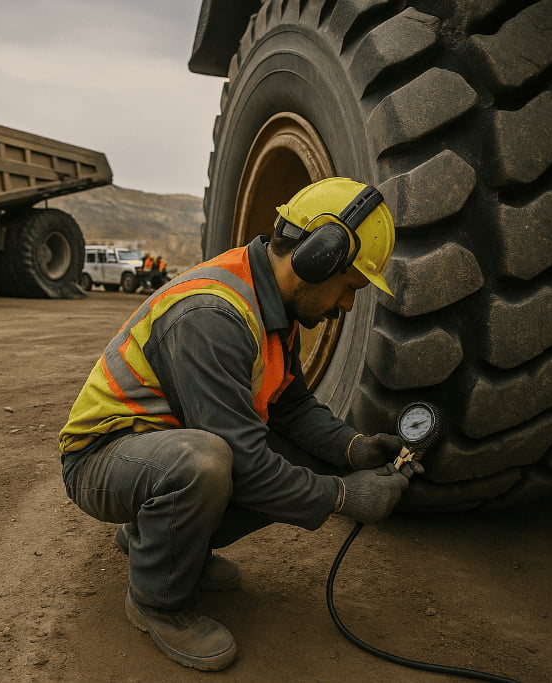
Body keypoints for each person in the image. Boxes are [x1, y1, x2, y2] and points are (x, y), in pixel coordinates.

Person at [59, 177, 421, 672]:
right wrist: (344, 497)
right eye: (350, 287)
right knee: (206, 463)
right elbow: (246, 465)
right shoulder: (213, 315)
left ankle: (160, 541)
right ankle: (157, 600)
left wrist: (353, 449)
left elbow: (290, 408)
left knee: (286, 452)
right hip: (103, 458)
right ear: (320, 258)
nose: (347, 305)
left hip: (157, 451)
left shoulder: (275, 307)